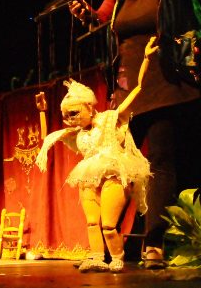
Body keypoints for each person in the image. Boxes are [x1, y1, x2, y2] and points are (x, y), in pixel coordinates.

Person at [68, 0, 201, 268]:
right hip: (127, 93)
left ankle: (154, 244)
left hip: (166, 84)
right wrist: (86, 14)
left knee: (160, 163)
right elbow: (101, 19)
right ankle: (108, 248)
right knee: (116, 165)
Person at [34, 37, 156, 273]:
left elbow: (138, 90)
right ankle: (97, 257)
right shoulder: (76, 134)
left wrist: (147, 59)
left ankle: (117, 257)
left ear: (89, 107)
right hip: (89, 176)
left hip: (113, 172)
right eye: (66, 116)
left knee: (108, 225)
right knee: (92, 222)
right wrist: (42, 112)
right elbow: (47, 138)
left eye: (74, 113)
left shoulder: (111, 119)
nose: (70, 119)